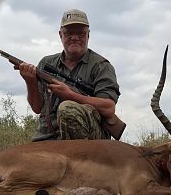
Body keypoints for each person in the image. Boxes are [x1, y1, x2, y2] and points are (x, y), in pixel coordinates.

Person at [19, 9, 122, 141]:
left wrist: (70, 95)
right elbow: (37, 108)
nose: (74, 38)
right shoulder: (46, 63)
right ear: (60, 35)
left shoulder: (101, 66)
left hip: (92, 139)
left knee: (68, 109)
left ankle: (83, 158)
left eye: (80, 33)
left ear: (88, 35)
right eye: (69, 33)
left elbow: (108, 108)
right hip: (47, 137)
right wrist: (30, 82)